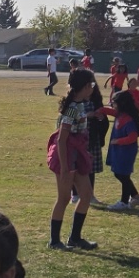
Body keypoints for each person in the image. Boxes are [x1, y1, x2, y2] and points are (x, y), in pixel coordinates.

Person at [48, 69, 98, 251]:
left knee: (85, 196)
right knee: (63, 199)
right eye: (91, 85)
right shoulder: (71, 109)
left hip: (78, 157)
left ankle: (75, 238)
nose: (92, 88)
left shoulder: (81, 105)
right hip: (67, 159)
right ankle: (54, 241)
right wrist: (65, 168)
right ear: (84, 87)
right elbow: (62, 140)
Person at [103, 89, 139, 208]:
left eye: (114, 102)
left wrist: (118, 141)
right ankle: (137, 197)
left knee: (123, 175)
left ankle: (124, 202)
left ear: (121, 104)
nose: (112, 104)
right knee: (119, 174)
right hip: (119, 151)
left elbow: (132, 137)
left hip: (126, 152)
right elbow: (108, 111)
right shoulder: (119, 114)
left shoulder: (128, 120)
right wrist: (98, 111)